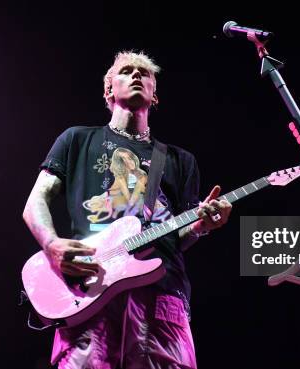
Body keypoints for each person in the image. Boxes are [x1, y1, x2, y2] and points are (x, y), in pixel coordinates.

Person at [22, 50, 232, 369]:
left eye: (144, 73)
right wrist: (51, 245)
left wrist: (202, 225)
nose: (136, 75)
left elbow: (179, 238)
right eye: (127, 71)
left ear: (154, 94)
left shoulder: (179, 160)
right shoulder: (76, 140)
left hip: (162, 295)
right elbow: (35, 201)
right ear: (109, 90)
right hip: (89, 292)